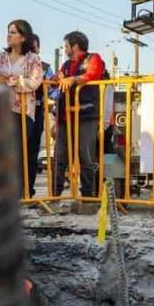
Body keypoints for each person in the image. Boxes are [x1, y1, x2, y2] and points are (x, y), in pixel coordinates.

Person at [0, 20, 43, 198]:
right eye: (8, 31)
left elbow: (34, 82)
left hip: (22, 111)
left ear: (23, 37)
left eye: (13, 32)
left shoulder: (33, 59)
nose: (9, 35)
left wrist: (13, 80)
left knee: (18, 151)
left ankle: (18, 191)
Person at [53, 31, 106, 207]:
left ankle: (87, 197)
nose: (65, 49)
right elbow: (58, 80)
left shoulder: (93, 58)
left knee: (86, 157)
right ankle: (54, 195)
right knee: (60, 158)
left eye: (66, 45)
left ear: (74, 46)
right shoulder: (66, 64)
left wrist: (74, 79)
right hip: (65, 118)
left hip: (86, 116)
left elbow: (93, 74)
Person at [27, 34, 56, 197]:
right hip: (15, 113)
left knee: (32, 153)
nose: (32, 51)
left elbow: (54, 91)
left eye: (35, 48)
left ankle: (28, 191)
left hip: (37, 112)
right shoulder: (13, 64)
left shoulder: (45, 68)